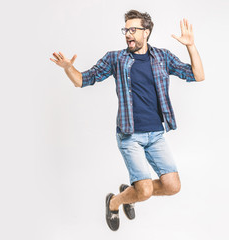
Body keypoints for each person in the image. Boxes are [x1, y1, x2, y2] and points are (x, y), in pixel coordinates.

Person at [49, 10, 205, 231]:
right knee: (145, 192)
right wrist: (68, 69)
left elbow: (197, 75)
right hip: (129, 136)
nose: (128, 35)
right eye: (126, 30)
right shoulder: (116, 59)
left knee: (173, 186)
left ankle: (128, 192)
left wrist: (190, 45)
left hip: (156, 135)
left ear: (146, 32)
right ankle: (114, 201)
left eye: (133, 30)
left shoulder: (163, 57)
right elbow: (82, 80)